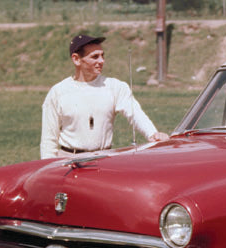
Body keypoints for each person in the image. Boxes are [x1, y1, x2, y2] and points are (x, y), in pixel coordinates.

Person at [40, 34, 169, 159]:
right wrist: (47, 166)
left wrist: (153, 134)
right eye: (95, 57)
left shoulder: (116, 87)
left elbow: (136, 114)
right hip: (68, 160)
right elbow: (48, 139)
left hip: (104, 159)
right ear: (76, 59)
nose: (101, 61)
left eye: (102, 55)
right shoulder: (58, 92)